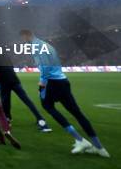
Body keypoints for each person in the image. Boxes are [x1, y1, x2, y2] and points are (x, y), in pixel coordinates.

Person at [20, 29, 110, 157]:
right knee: (77, 113)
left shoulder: (36, 46)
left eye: (23, 38)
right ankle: (100, 148)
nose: (23, 41)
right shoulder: (46, 45)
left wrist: (42, 84)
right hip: (62, 81)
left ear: (27, 35)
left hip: (51, 83)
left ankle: (80, 140)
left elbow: (45, 68)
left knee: (47, 106)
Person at [0, 42, 51, 132]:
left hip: (4, 81)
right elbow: (10, 65)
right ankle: (40, 119)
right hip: (14, 79)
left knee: (5, 102)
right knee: (27, 101)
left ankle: (7, 119)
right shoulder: (3, 53)